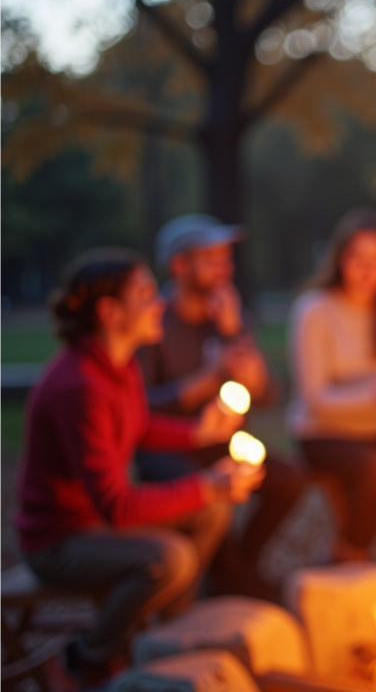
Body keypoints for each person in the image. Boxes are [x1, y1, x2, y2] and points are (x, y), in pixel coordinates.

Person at [16, 249, 261, 686]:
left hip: (94, 523)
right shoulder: (81, 387)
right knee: (170, 558)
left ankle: (167, 635)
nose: (159, 304)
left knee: (214, 512)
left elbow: (137, 424)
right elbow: (116, 506)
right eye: (146, 294)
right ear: (110, 312)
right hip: (59, 539)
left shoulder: (117, 363)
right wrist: (206, 484)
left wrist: (198, 434)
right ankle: (88, 656)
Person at [136, 215, 306, 599]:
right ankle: (233, 581)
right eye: (210, 258)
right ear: (179, 266)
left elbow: (267, 395)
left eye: (225, 258)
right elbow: (139, 408)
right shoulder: (152, 321)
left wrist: (236, 337)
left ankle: (237, 569)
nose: (223, 268)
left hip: (218, 439)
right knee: (214, 493)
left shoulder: (230, 317)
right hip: (163, 446)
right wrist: (205, 381)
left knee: (288, 479)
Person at [288, 209, 376, 562]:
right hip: (321, 432)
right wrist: (374, 393)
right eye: (358, 259)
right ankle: (350, 552)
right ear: (340, 259)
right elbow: (315, 398)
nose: (368, 271)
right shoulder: (314, 311)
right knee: (375, 467)